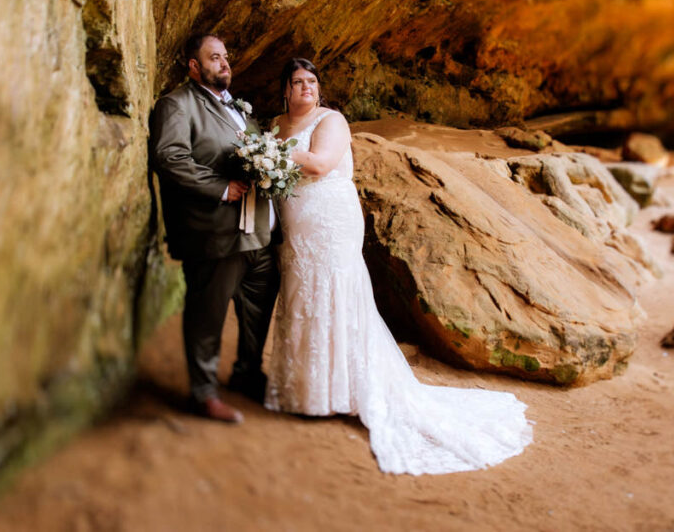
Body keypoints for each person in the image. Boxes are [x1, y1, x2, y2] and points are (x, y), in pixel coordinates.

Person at [265, 57, 533, 474]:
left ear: (320, 89)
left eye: (312, 82)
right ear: (284, 88)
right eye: (297, 82)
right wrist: (264, 152)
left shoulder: (330, 120)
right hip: (296, 225)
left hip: (331, 220)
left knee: (334, 291)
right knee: (303, 292)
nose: (305, 88)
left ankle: (347, 390)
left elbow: (319, 164)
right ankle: (308, 391)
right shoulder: (274, 124)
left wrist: (271, 152)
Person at [149, 34, 279, 424]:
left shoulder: (238, 108)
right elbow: (169, 157)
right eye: (214, 57)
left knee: (257, 309)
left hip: (257, 233)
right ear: (194, 66)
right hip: (214, 233)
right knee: (207, 314)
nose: (224, 63)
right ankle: (202, 393)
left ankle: (246, 375)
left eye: (225, 56)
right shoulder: (177, 104)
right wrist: (220, 188)